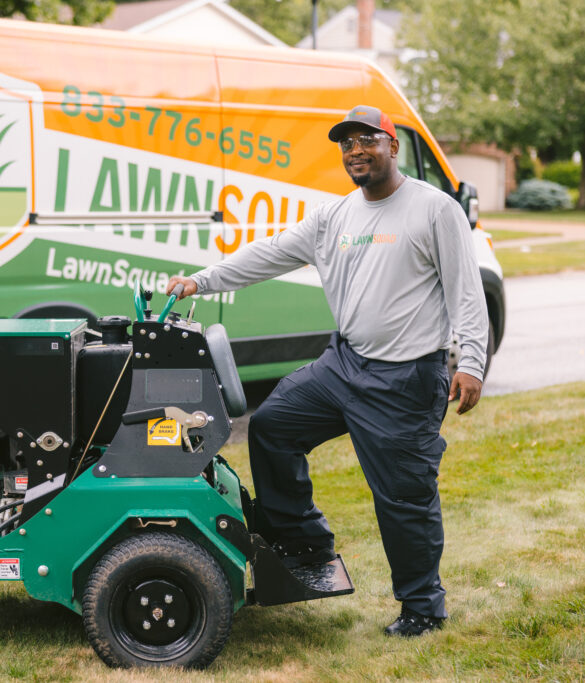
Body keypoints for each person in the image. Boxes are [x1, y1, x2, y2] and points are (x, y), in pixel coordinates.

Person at [165, 105, 489, 637]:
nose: (356, 150)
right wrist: (201, 280)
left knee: (403, 497)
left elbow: (466, 291)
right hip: (344, 364)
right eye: (347, 143)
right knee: (272, 429)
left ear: (392, 146)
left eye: (367, 140)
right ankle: (303, 539)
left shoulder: (434, 210)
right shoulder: (334, 216)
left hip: (406, 377)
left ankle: (423, 609)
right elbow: (268, 254)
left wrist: (471, 361)